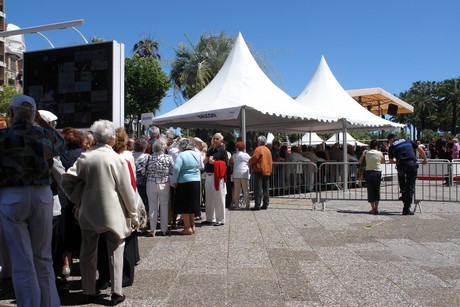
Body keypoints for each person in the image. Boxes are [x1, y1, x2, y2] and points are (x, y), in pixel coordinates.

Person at [60, 119, 138, 305]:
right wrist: (133, 213)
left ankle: (88, 290)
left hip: (88, 210)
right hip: (113, 212)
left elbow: (66, 181)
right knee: (116, 249)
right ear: (111, 138)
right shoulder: (116, 159)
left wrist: (76, 198)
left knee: (88, 251)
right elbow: (126, 190)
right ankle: (116, 291)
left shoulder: (85, 158)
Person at [0, 94, 65, 307]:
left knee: (22, 261)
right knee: (43, 259)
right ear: (34, 114)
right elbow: (61, 142)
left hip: (12, 196)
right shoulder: (42, 133)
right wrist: (41, 120)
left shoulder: (3, 136)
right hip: (41, 195)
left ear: (11, 113)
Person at [388, 133, 428, 215]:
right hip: (411, 164)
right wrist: (425, 159)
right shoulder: (408, 140)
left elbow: (391, 160)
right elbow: (419, 149)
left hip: (401, 165)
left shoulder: (391, 147)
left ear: (392, 139)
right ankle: (406, 208)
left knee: (401, 178)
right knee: (410, 185)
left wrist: (398, 160)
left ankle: (403, 193)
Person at [143, 137, 174, 236]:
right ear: (164, 148)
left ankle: (152, 229)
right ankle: (164, 229)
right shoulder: (168, 158)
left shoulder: (149, 157)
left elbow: (143, 171)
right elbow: (172, 171)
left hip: (151, 183)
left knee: (152, 206)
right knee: (164, 206)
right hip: (164, 183)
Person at [171, 139, 203, 234]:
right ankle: (193, 226)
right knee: (192, 205)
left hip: (184, 181)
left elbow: (176, 168)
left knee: (185, 205)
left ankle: (187, 227)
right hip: (196, 181)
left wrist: (174, 180)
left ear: (183, 147)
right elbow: (201, 166)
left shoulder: (181, 155)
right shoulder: (197, 154)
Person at [203, 133, 228, 226]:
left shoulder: (222, 151)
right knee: (208, 198)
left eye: (217, 139)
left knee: (219, 198)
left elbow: (225, 164)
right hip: (208, 176)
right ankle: (210, 218)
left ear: (221, 140)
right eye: (213, 138)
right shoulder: (210, 150)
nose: (214, 140)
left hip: (217, 177)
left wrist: (215, 163)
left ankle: (220, 219)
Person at [358, 140, 385, 214]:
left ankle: (372, 208)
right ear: (377, 146)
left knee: (370, 190)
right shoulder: (379, 153)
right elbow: (383, 161)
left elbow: (360, 161)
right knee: (377, 190)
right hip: (377, 172)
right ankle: (376, 208)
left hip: (368, 172)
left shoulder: (366, 152)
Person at [249, 135, 273, 210]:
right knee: (266, 188)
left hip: (259, 170)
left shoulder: (258, 149)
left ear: (259, 142)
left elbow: (255, 158)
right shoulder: (268, 150)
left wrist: (249, 161)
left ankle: (257, 205)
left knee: (258, 188)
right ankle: (265, 204)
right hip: (267, 171)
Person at [232, 141, 251, 209]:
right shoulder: (246, 155)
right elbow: (250, 161)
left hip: (236, 174)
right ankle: (247, 205)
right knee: (246, 190)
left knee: (237, 190)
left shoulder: (234, 155)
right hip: (244, 174)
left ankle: (237, 205)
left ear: (237, 147)